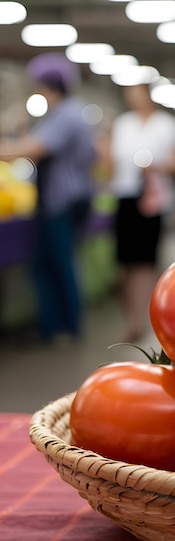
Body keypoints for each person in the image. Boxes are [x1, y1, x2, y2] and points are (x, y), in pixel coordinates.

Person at [0, 52, 96, 344]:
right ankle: (53, 327)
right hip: (60, 200)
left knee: (60, 263)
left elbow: (33, 148)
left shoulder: (66, 114)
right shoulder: (63, 113)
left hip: (62, 202)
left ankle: (67, 328)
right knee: (46, 264)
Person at [106, 82, 175, 343]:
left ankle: (140, 319)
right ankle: (132, 317)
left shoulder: (166, 125)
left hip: (153, 200)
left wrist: (156, 167)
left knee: (144, 263)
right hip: (125, 197)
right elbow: (111, 162)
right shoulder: (123, 124)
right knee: (125, 263)